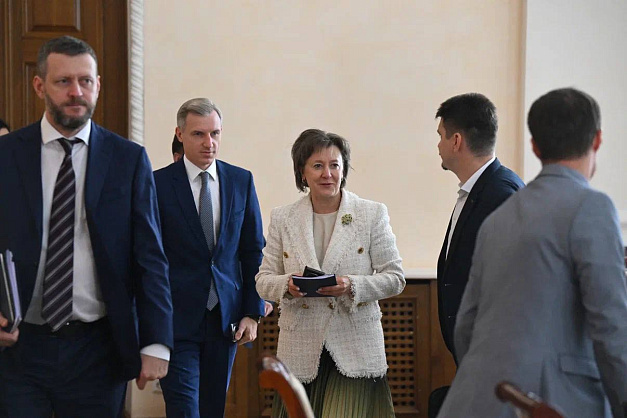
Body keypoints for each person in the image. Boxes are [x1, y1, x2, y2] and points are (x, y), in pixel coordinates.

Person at [0, 35, 172, 417]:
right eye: (63, 81)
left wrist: (157, 341)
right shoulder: (7, 155)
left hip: (99, 349)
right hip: (19, 348)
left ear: (98, 85)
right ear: (39, 85)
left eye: (85, 81)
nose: (76, 92)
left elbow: (150, 257)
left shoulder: (128, 160)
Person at [438, 88, 627, 418]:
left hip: (479, 398)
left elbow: (466, 324)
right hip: (552, 403)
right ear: (597, 140)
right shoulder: (592, 207)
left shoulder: (499, 216)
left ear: (535, 146)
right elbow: (611, 326)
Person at [255, 128, 405, 418]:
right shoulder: (283, 218)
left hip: (355, 344)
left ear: (344, 169)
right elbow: (263, 280)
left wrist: (351, 285)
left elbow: (395, 278)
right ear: (302, 173)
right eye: (317, 166)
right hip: (300, 346)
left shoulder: (371, 214)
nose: (328, 174)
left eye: (335, 165)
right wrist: (288, 285)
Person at [154, 98, 267, 417]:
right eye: (198, 134)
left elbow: (252, 251)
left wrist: (253, 312)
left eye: (215, 133)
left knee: (212, 409)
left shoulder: (240, 181)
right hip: (175, 320)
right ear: (180, 134)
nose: (209, 143)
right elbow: (147, 258)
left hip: (224, 320)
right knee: (185, 410)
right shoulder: (156, 184)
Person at [435, 93, 524, 364]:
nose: (438, 145)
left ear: (456, 141)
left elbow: (511, 283)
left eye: (440, 136)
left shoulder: (501, 193)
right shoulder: (478, 189)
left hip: (494, 354)